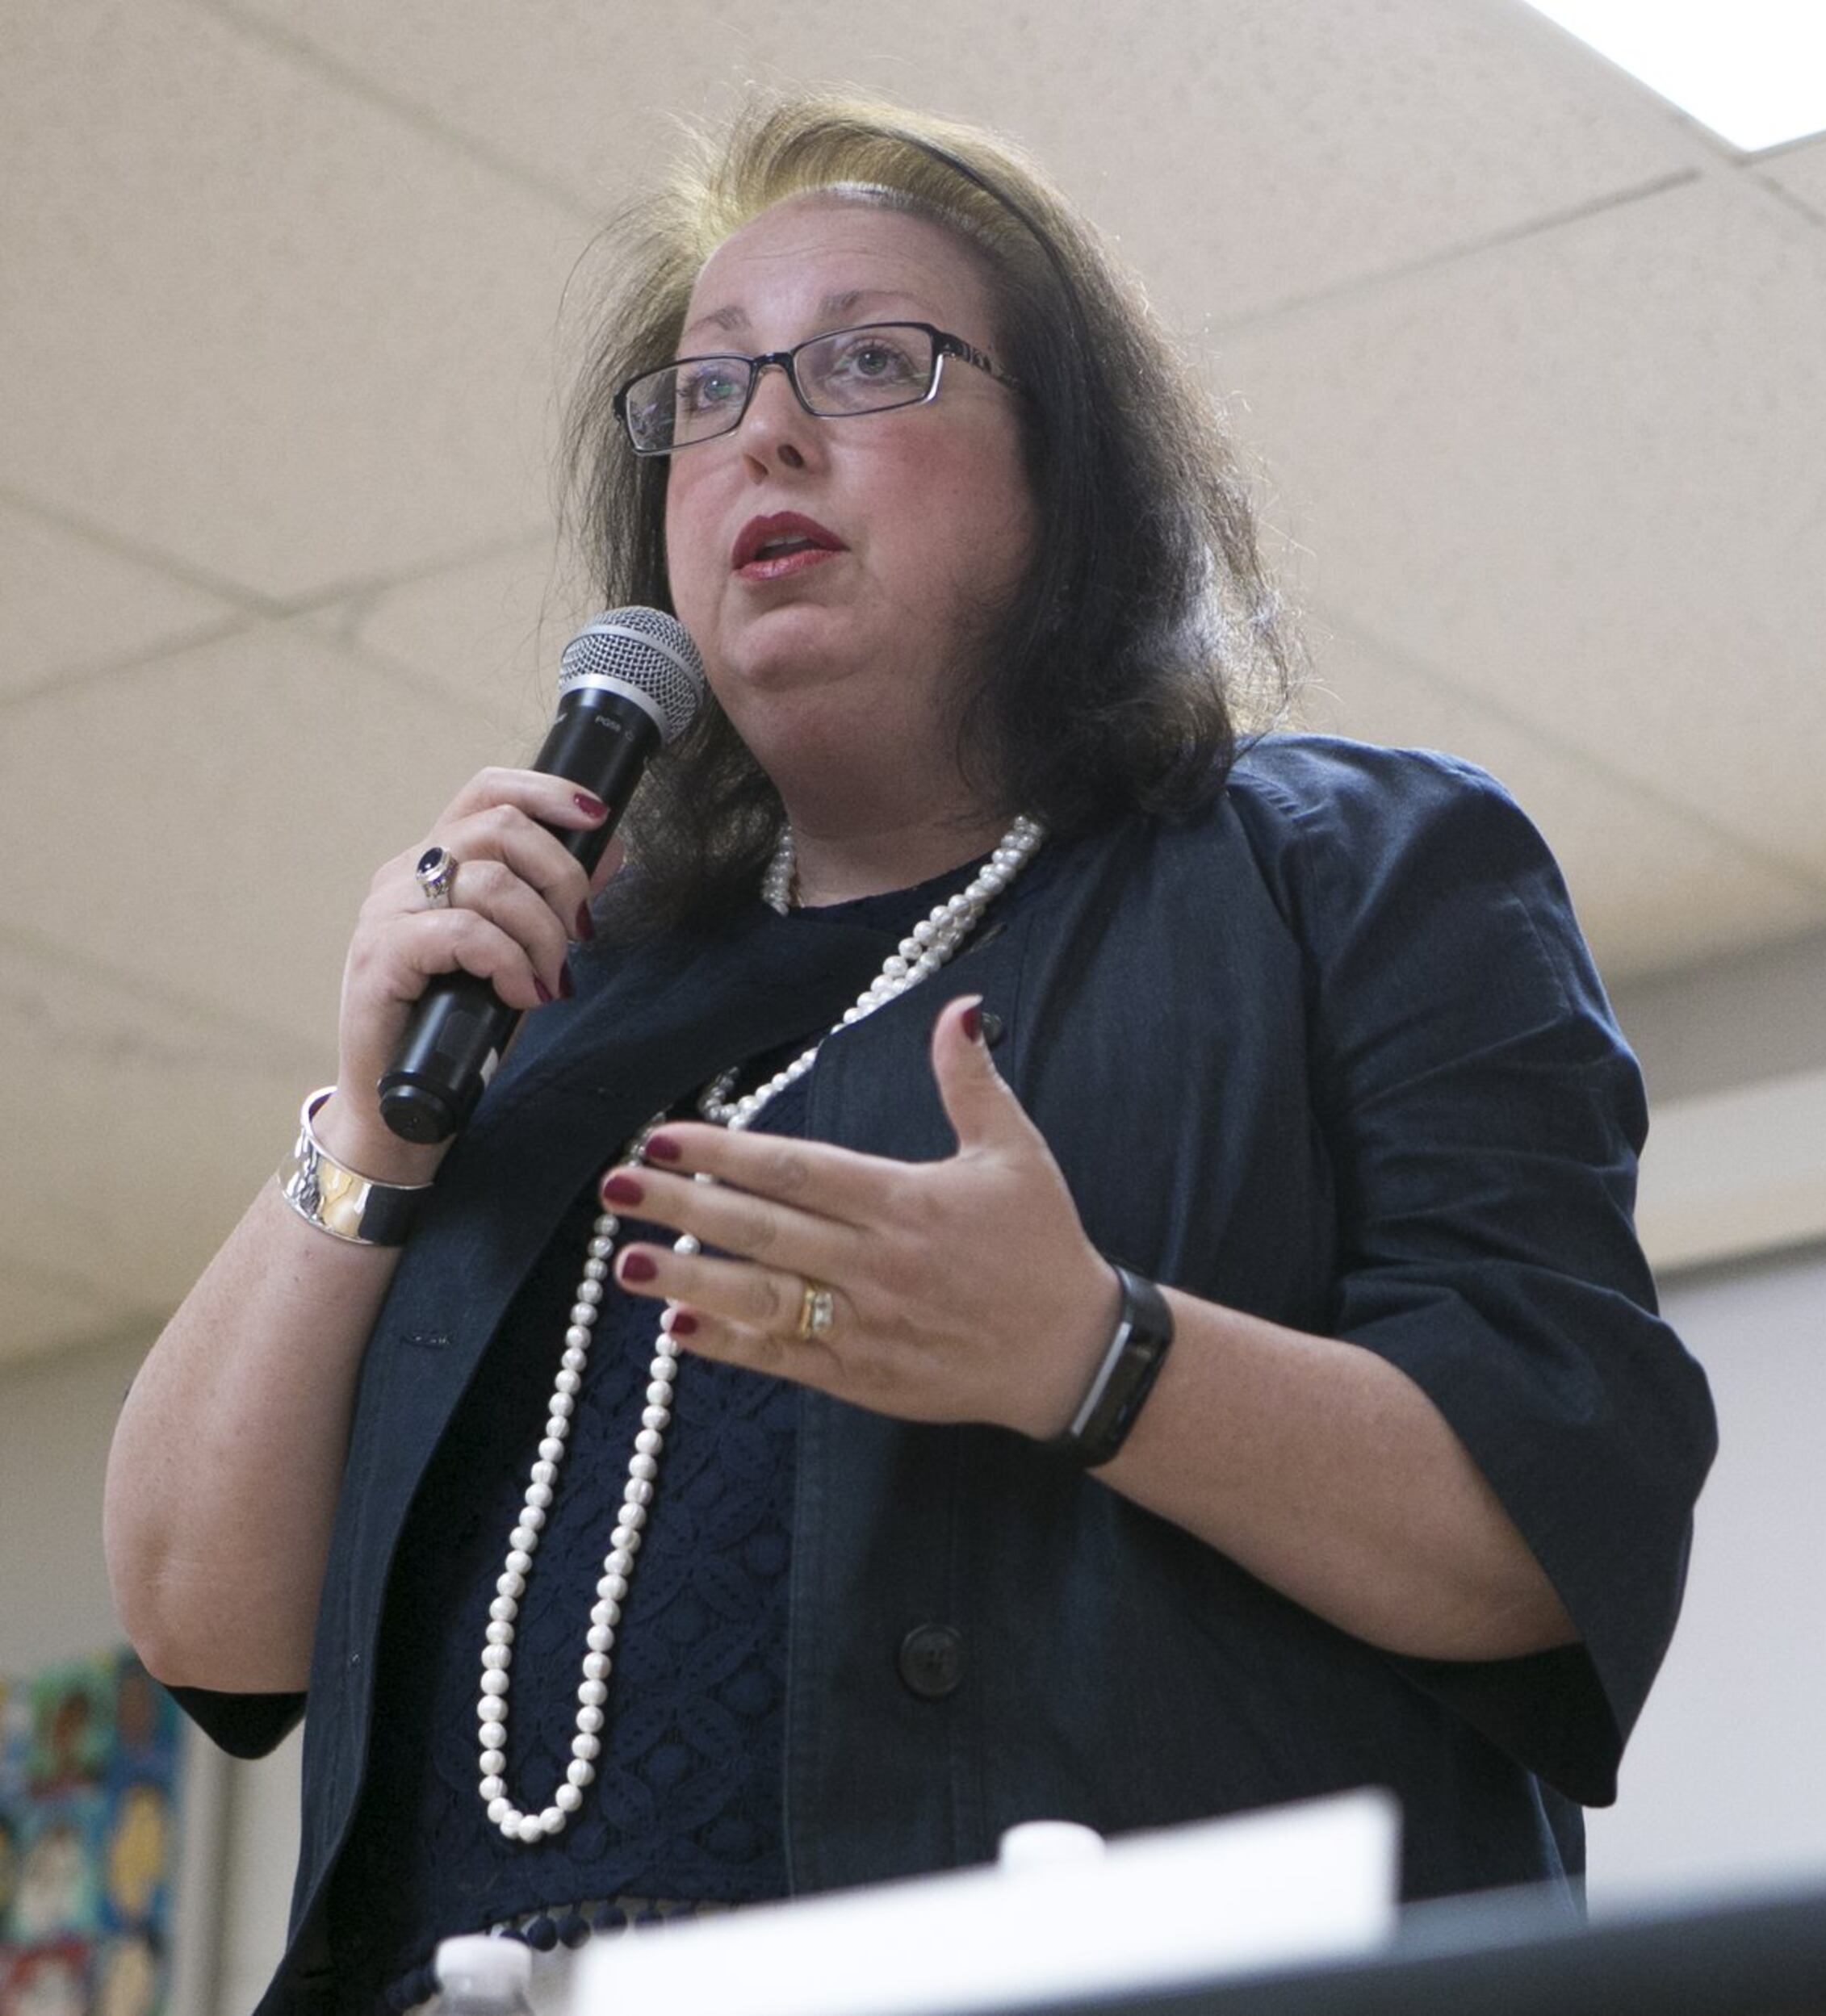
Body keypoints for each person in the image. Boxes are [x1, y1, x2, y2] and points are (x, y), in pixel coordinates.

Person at [103, 96, 1716, 2016]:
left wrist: (1097, 1354)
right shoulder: (548, 998)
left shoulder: (1351, 877)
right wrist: (366, 1132)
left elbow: (1552, 1533)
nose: (763, 435)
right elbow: (205, 1621)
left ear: (1070, 473)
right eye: (709, 391)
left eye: (869, 362)